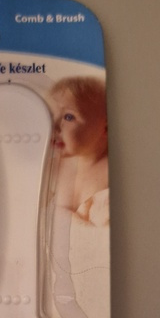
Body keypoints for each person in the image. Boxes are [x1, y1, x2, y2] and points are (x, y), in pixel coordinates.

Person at [47, 76, 109, 226]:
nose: (53, 126)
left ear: (106, 128)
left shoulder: (111, 172)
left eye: (68, 117)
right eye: (49, 115)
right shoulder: (52, 167)